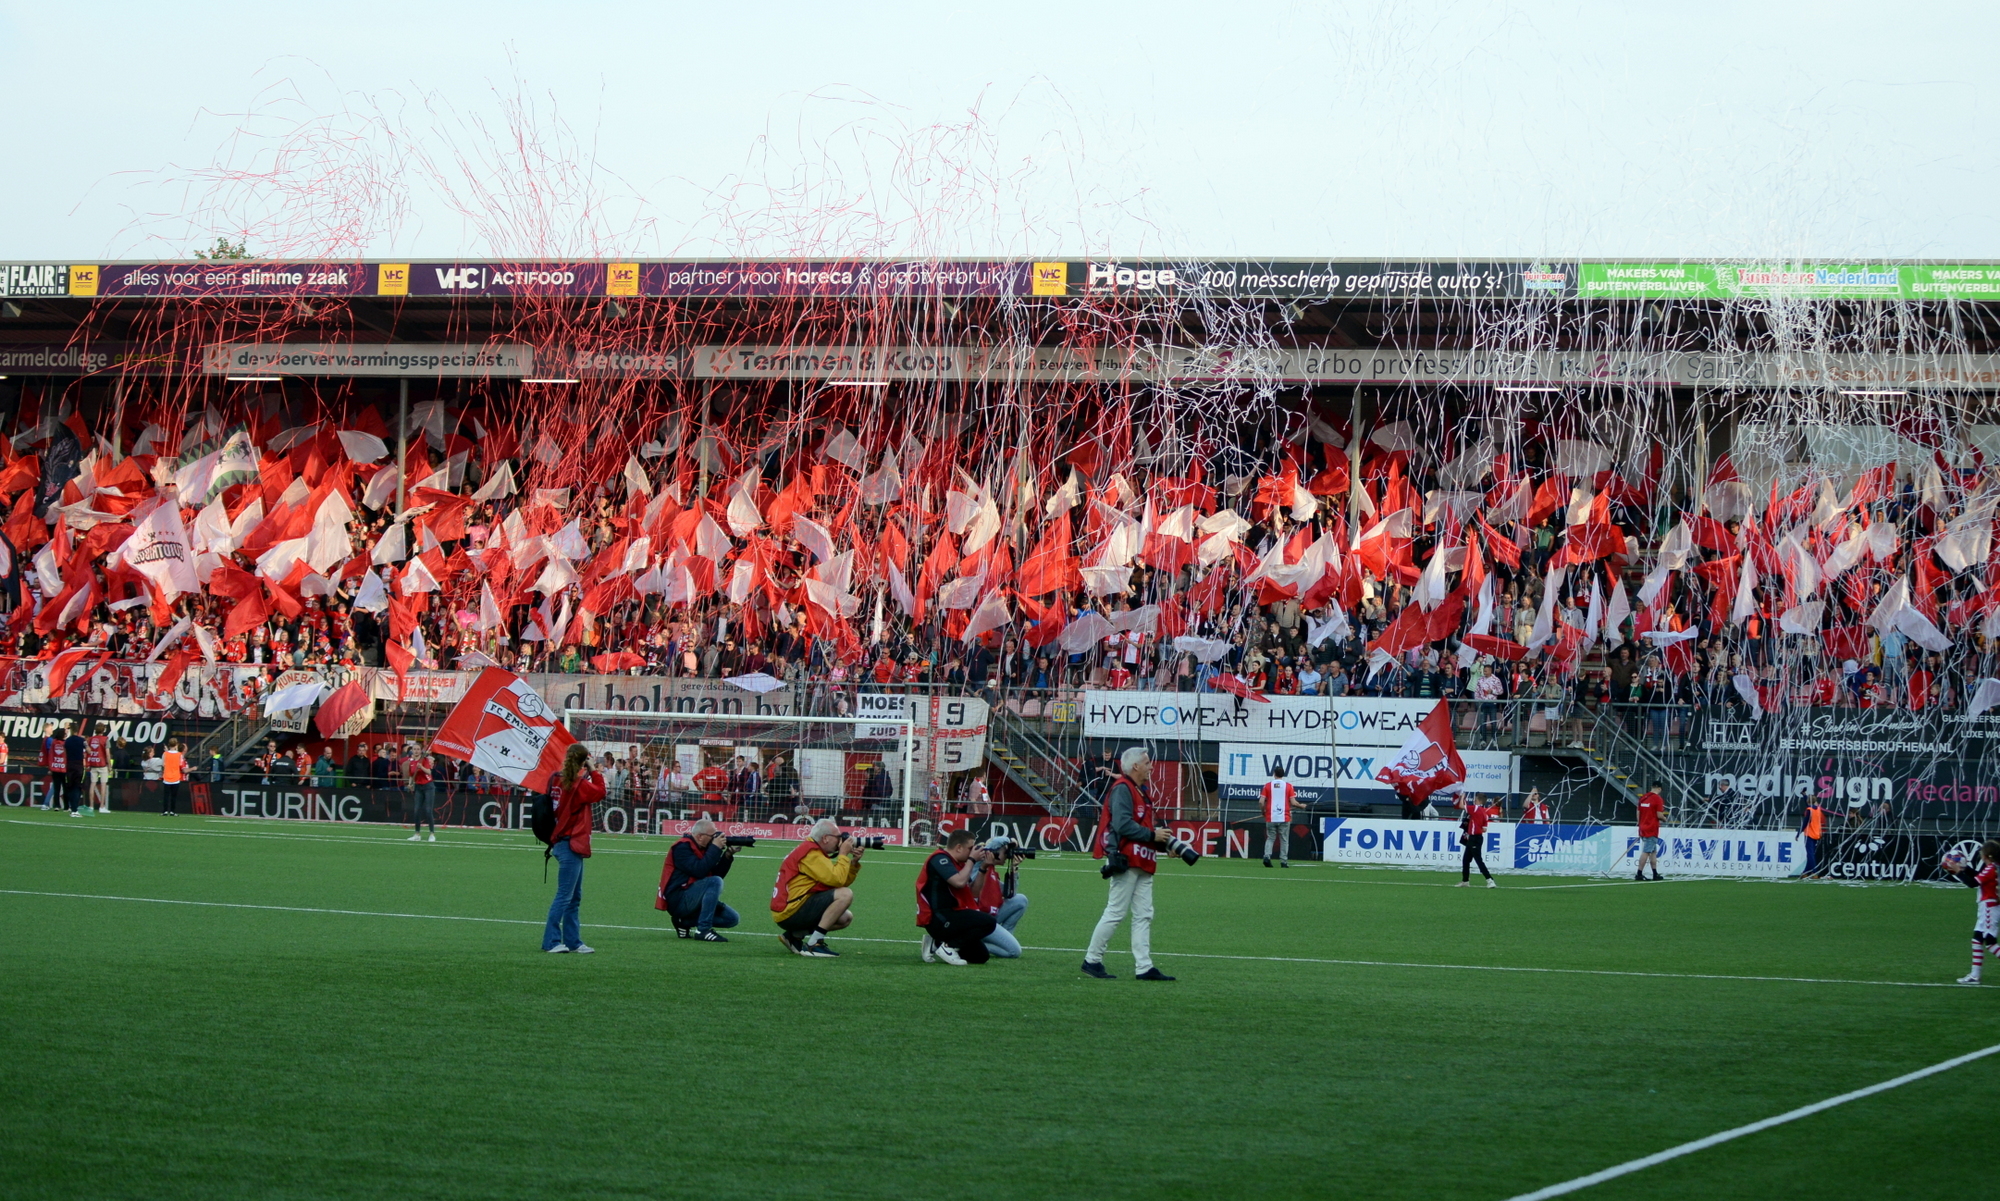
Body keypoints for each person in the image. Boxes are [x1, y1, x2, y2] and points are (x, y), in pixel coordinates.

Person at [1082, 746, 1176, 982]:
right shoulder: (1123, 788)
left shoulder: (1135, 789)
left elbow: (1137, 827)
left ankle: (1144, 967)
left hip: (1141, 858)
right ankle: (1092, 960)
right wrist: (1154, 837)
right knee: (1116, 912)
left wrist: (1162, 845)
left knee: (1144, 914)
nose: (1150, 766)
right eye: (1146, 763)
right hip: (1127, 858)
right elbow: (1123, 825)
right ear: (1135, 766)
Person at [770, 817, 865, 957]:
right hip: (790, 911)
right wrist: (843, 854)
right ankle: (814, 944)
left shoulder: (811, 850)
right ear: (826, 838)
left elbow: (838, 881)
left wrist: (853, 864)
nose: (840, 842)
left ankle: (794, 936)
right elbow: (837, 881)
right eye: (838, 837)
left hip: (792, 908)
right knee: (845, 894)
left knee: (845, 918)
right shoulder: (811, 853)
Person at [543, 743, 604, 954]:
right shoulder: (579, 785)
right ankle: (551, 941)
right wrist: (594, 771)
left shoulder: (555, 780)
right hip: (571, 841)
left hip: (561, 840)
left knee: (573, 896)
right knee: (565, 896)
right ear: (584, 761)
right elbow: (600, 792)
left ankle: (572, 941)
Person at [916, 828, 999, 966]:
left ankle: (936, 943)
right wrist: (972, 860)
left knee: (980, 956)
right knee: (988, 922)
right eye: (970, 848)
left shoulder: (959, 863)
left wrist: (983, 867)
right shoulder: (940, 858)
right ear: (959, 847)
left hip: (953, 916)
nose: (973, 852)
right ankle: (948, 947)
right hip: (938, 917)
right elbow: (959, 882)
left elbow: (973, 893)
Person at [656, 818, 741, 941]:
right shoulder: (682, 847)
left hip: (694, 897)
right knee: (715, 881)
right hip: (678, 900)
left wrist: (727, 856)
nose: (715, 839)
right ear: (700, 836)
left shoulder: (704, 848)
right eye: (713, 836)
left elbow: (715, 874)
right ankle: (703, 930)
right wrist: (715, 848)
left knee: (732, 918)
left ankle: (684, 922)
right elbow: (699, 871)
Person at [1941, 840, 1999, 985]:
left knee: (1990, 943)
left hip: (1989, 908)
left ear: (1986, 855)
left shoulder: (1992, 868)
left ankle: (1975, 976)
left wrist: (1958, 871)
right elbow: (1978, 876)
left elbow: (1972, 883)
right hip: (1988, 907)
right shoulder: (1994, 867)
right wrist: (1965, 869)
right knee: (1977, 939)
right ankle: (1975, 975)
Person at [974, 835, 1031, 959]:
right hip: (978, 921)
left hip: (989, 918)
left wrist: (1014, 868)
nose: (1008, 855)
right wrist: (1011, 841)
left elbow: (1011, 894)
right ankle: (972, 945)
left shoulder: (993, 872)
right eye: (1006, 852)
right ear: (994, 851)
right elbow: (994, 844)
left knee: (1020, 900)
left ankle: (1001, 940)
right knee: (1014, 952)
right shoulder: (979, 864)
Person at [1455, 793, 1499, 887]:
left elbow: (1461, 806)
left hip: (1474, 838)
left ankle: (1490, 880)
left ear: (1478, 800)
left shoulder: (1475, 809)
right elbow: (1484, 829)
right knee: (1466, 860)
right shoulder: (1484, 812)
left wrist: (1462, 796)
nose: (1474, 800)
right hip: (1476, 838)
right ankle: (1465, 881)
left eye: (1475, 799)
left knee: (1478, 860)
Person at [1260, 761, 1295, 868]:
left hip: (1271, 817)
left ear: (1274, 774)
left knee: (1270, 838)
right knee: (1284, 840)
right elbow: (1293, 802)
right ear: (1283, 774)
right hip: (1284, 817)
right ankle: (1283, 861)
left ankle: (1267, 856)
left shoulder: (1267, 786)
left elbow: (1261, 802)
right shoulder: (1288, 786)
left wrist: (1263, 812)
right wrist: (1301, 806)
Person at [405, 743, 438, 842]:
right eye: (414, 749)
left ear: (420, 751)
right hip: (418, 787)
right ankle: (417, 834)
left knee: (428, 810)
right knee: (416, 810)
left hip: (428, 787)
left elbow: (429, 772)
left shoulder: (424, 760)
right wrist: (410, 784)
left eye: (418, 749)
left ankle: (432, 833)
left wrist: (421, 767)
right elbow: (411, 775)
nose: (416, 751)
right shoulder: (411, 762)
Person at [1634, 785, 1666, 881]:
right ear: (1659, 788)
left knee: (1653, 852)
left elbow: (1638, 812)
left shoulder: (1643, 797)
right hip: (1652, 828)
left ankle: (1655, 873)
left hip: (1643, 826)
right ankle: (1639, 873)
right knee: (1647, 851)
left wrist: (1640, 824)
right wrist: (1665, 819)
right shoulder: (1657, 799)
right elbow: (1659, 815)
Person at [62, 723, 87, 816]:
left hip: (69, 765)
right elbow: (89, 750)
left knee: (70, 787)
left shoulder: (67, 741)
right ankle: (74, 810)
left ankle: (71, 808)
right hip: (79, 765)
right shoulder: (82, 740)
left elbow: (64, 754)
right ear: (78, 730)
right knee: (77, 787)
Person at [85, 722, 110, 814]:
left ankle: (91, 806)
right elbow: (107, 754)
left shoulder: (91, 739)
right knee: (103, 785)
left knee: (92, 784)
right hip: (102, 764)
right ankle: (102, 806)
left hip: (93, 763)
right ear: (103, 730)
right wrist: (109, 766)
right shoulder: (105, 739)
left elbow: (88, 751)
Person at [160, 740, 186, 817]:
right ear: (176, 745)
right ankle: (172, 811)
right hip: (175, 777)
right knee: (173, 796)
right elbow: (180, 764)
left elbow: (163, 764)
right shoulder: (179, 754)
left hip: (167, 777)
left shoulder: (165, 754)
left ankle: (165, 811)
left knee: (166, 796)